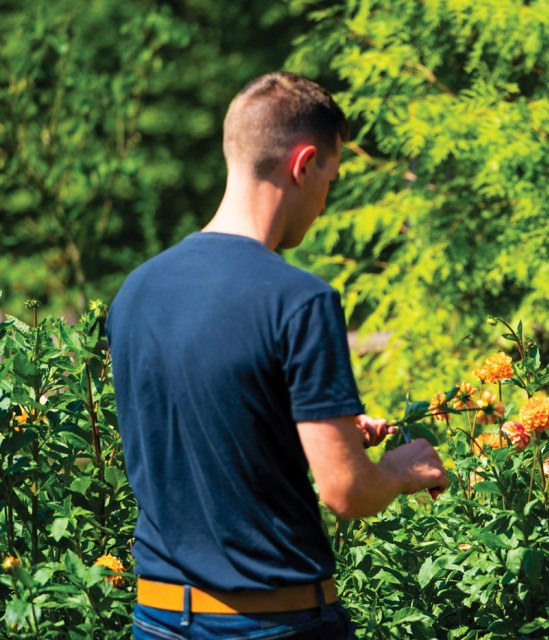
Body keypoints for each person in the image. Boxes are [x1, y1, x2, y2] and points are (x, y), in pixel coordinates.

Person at [106, 71, 449, 639]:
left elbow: (184, 437)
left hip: (158, 619)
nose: (322, 204)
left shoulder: (135, 291)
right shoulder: (300, 299)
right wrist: (403, 468)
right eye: (330, 180)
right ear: (303, 163)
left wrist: (308, 428)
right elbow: (347, 493)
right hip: (275, 622)